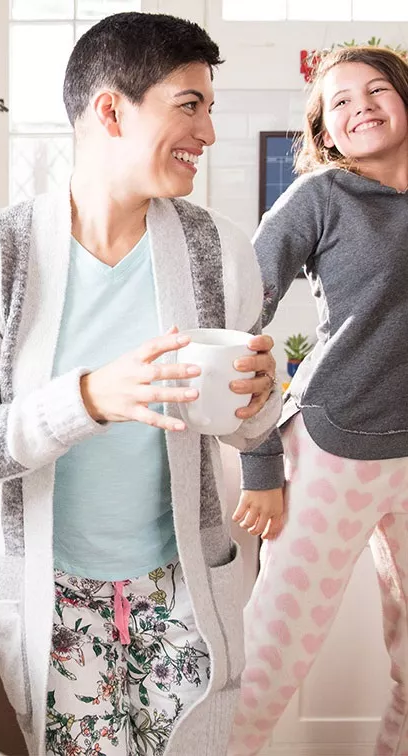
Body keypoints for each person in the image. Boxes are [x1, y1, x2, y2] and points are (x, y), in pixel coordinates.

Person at [0, 12, 281, 756]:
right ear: (110, 109)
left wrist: (257, 403)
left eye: (209, 108)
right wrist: (88, 398)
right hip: (53, 599)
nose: (208, 132)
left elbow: (245, 425)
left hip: (185, 590)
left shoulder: (219, 252)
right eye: (190, 105)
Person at [229, 45, 408, 756]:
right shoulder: (319, 197)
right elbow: (237, 323)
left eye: (378, 88)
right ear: (325, 133)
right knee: (268, 664)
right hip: (336, 448)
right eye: (340, 100)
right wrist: (261, 466)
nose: (360, 103)